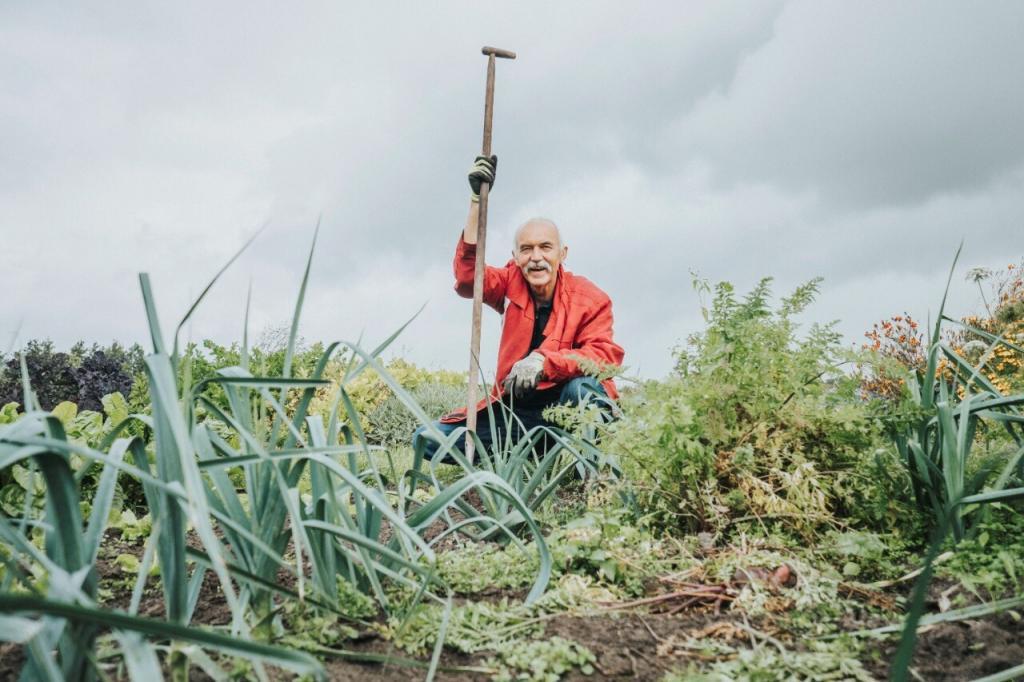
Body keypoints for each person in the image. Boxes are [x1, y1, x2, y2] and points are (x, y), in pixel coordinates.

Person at [412, 155, 625, 462]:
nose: (536, 257)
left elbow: (604, 357)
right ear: (515, 255)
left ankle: (593, 473)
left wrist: (543, 361)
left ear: (562, 253)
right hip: (516, 414)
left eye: (545, 247)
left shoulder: (591, 298)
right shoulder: (510, 281)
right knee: (427, 439)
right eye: (526, 249)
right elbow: (467, 277)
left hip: (564, 412)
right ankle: (524, 460)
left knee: (585, 390)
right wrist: (476, 200)